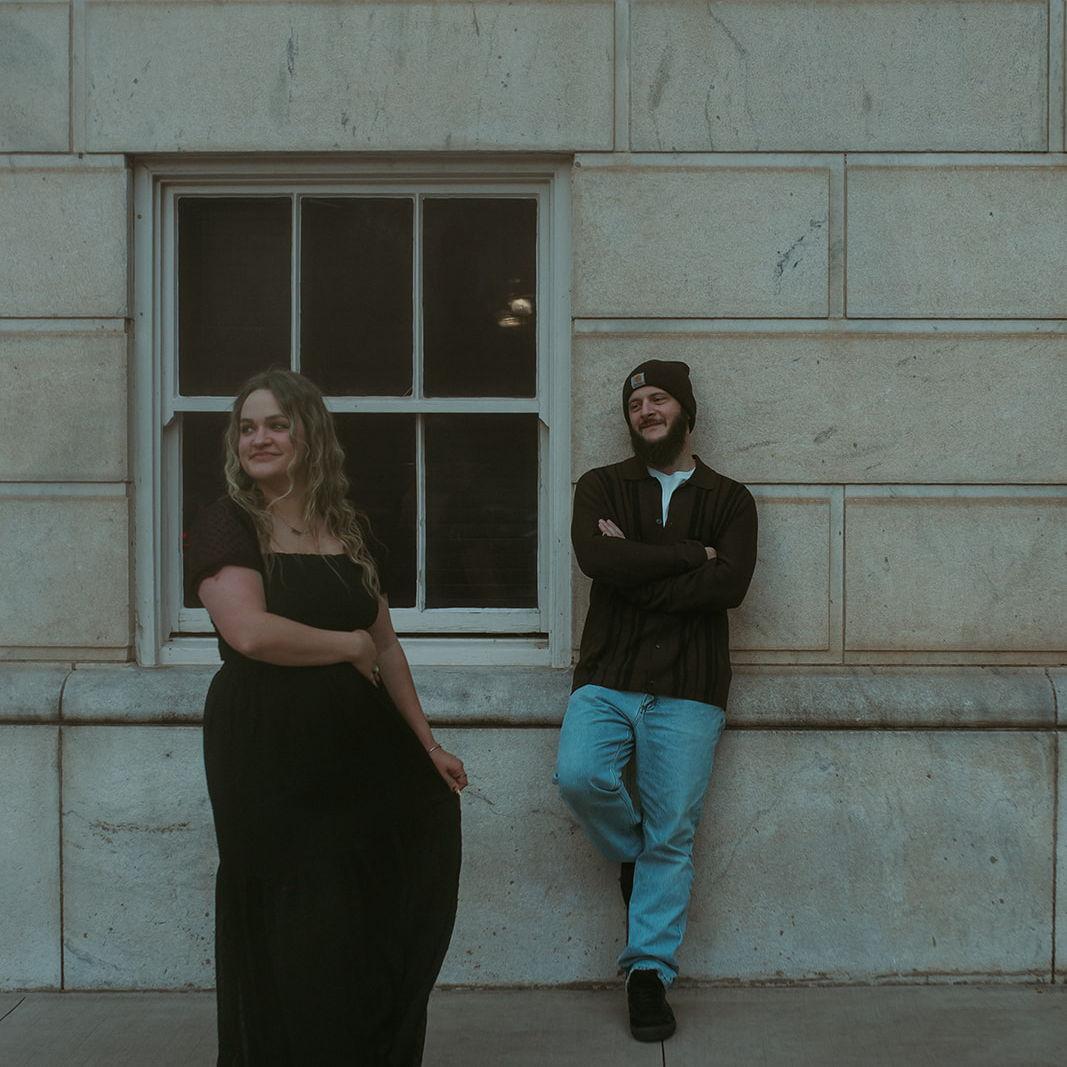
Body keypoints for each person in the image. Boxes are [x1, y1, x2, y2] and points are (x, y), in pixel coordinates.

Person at [186, 368, 466, 1066]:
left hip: (354, 748)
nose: (259, 438)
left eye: (276, 424)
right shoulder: (228, 521)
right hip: (265, 747)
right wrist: (346, 645)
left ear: (308, 435)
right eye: (247, 427)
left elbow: (387, 645)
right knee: (298, 915)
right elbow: (249, 632)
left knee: (362, 908)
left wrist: (426, 743)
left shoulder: (345, 526)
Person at [556, 359, 757, 1042]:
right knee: (579, 775)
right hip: (606, 675)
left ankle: (648, 973)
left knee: (674, 831)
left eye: (658, 398)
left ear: (685, 410)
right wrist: (691, 555)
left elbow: (729, 587)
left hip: (689, 688)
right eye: (635, 401)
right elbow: (596, 561)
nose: (645, 410)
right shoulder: (600, 485)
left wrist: (635, 566)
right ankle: (635, 855)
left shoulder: (731, 499)